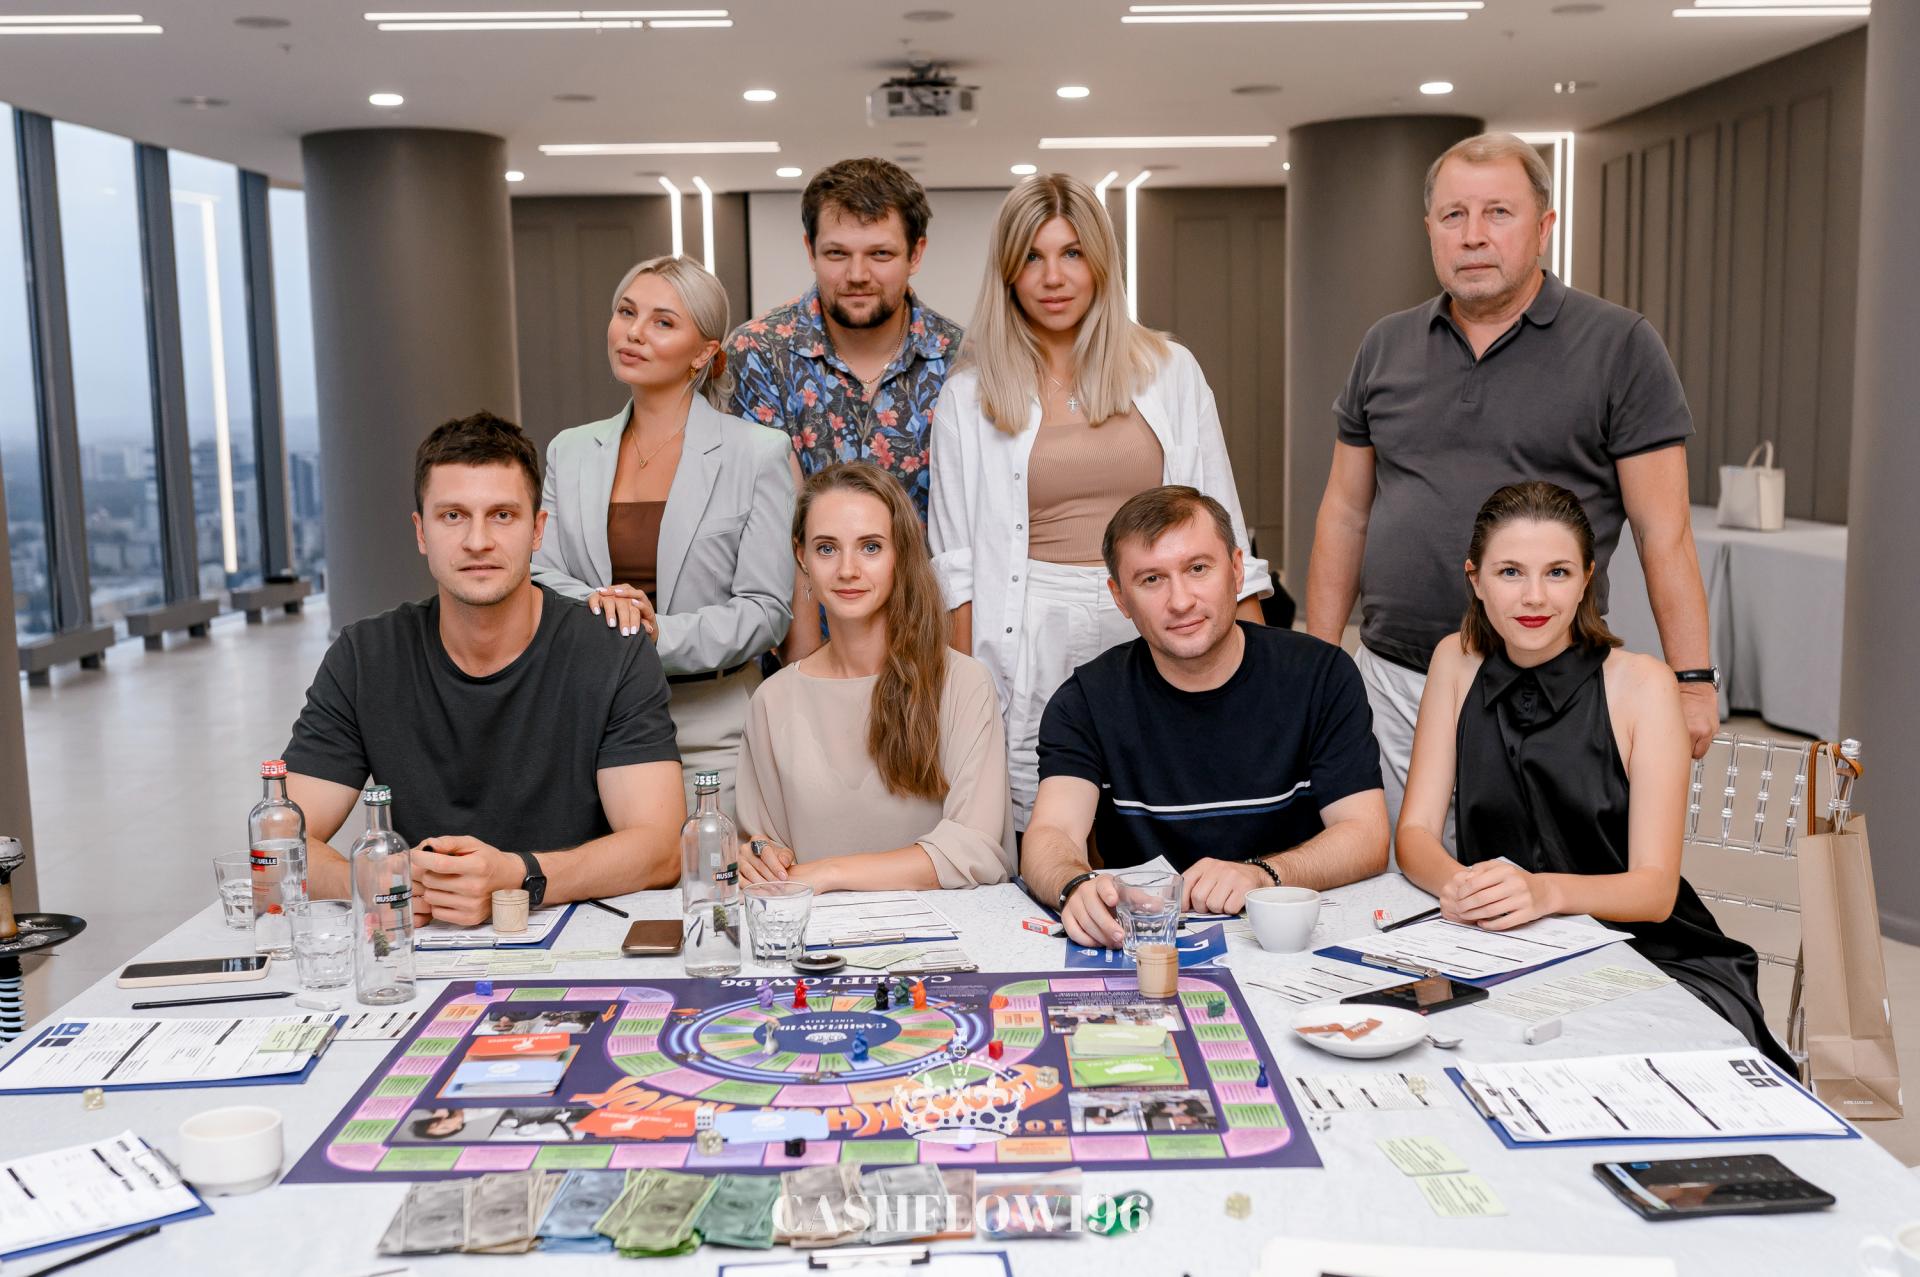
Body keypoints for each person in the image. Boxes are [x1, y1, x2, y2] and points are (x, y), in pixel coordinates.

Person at [1305, 131, 1717, 840]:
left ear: (1544, 227)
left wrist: (1693, 679)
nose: (1473, 235)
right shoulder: (1385, 345)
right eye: (1454, 215)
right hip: (1395, 682)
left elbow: (1664, 531)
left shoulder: (1620, 345)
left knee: (1536, 884)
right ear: (1430, 230)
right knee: (1395, 875)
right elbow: (1345, 514)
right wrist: (1319, 667)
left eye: (1498, 212)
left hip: (1550, 684)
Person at [1395, 481, 1790, 1069]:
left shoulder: (1642, 683)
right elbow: (1414, 834)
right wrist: (1459, 887)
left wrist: (1544, 892)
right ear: (1475, 579)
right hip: (1504, 947)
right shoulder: (1455, 660)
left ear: (1587, 578)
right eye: (1510, 572)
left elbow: (1655, 892)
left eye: (1556, 573)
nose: (1534, 597)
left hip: (1650, 956)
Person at [931, 175, 1272, 831]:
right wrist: (967, 709)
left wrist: (1260, 679)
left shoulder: (1170, 370)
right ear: (1007, 272)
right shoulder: (969, 397)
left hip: (1157, 612)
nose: (1053, 277)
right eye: (1032, 257)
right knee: (1042, 820)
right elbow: (957, 575)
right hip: (1030, 629)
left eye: (1072, 253)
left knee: (1172, 795)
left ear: (1101, 261)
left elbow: (1224, 530)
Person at [284, 413, 685, 927]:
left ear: (537, 530)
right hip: (424, 937)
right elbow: (279, 841)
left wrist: (519, 876)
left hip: (578, 931)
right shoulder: (365, 656)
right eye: (453, 516)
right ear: (421, 532)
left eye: (502, 515)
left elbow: (661, 849)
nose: (478, 541)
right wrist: (372, 883)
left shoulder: (612, 652)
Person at [1021, 486, 1388, 950]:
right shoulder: (1085, 700)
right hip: (1146, 946)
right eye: (1151, 579)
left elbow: (1366, 835)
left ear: (1236, 570)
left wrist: (1262, 874)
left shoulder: (1321, 675)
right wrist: (1075, 884)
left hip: (1291, 940)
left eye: (1198, 568)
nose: (1180, 601)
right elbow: (1050, 834)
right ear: (1120, 598)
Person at [532, 255, 797, 819]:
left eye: (662, 322)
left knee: (709, 873)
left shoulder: (757, 453)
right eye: (626, 312)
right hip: (590, 719)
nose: (634, 332)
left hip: (712, 728)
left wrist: (654, 635)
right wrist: (608, 609)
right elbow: (540, 574)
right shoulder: (569, 451)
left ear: (704, 352)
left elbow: (766, 610)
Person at [734, 462, 1013, 891]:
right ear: (801, 557)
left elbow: (975, 847)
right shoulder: (771, 701)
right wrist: (759, 857)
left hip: (940, 930)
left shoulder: (963, 684)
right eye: (827, 548)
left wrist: (829, 872)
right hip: (817, 930)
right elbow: (763, 850)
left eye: (870, 547)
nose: (848, 569)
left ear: (900, 554)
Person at [726, 157, 962, 525]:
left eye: (880, 254)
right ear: (810, 250)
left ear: (915, 254)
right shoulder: (758, 352)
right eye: (837, 253)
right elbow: (759, 513)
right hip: (792, 564)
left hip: (930, 565)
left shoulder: (960, 357)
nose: (857, 275)